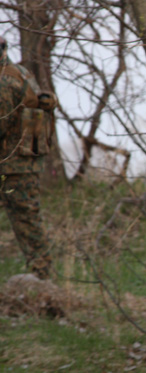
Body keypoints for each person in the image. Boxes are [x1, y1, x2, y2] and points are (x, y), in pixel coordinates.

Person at [0, 36, 56, 280]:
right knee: (28, 219)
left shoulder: (4, 81)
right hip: (22, 161)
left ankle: (42, 275)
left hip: (10, 163)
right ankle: (42, 272)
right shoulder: (21, 72)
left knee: (26, 220)